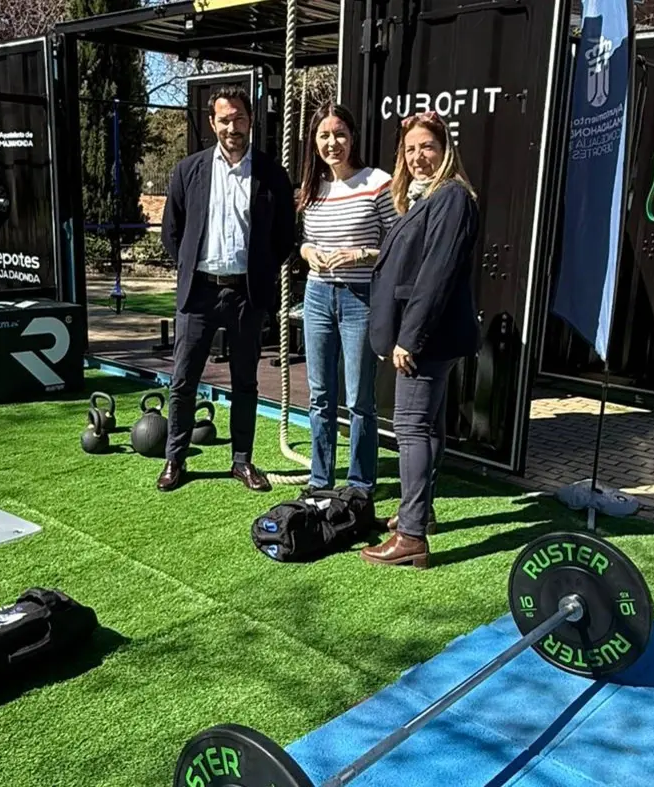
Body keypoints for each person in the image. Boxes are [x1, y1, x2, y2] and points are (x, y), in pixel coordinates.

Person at [157, 86, 296, 493]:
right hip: (197, 292)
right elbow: (172, 232)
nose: (231, 126)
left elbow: (284, 236)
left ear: (250, 121)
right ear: (212, 123)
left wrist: (262, 272)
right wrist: (188, 267)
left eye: (238, 118)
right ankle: (174, 459)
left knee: (245, 383)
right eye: (224, 119)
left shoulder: (272, 174)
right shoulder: (188, 171)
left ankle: (242, 461)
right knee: (183, 380)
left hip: (245, 295)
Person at [360, 111, 480, 569]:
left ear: (445, 148)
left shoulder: (451, 197)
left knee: (411, 429)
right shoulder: (428, 198)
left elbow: (437, 274)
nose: (417, 157)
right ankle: (419, 514)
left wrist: (409, 338)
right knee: (426, 428)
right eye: (410, 150)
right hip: (430, 335)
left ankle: (411, 536)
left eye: (426, 147)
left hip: (426, 338)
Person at [297, 103, 397, 495]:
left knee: (358, 399)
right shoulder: (312, 186)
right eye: (324, 135)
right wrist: (309, 254)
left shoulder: (377, 182)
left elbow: (397, 243)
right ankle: (320, 479)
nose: (332, 142)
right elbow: (304, 242)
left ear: (352, 136)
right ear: (314, 141)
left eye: (339, 133)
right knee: (320, 396)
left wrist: (362, 254)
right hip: (318, 294)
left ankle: (360, 483)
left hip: (360, 297)